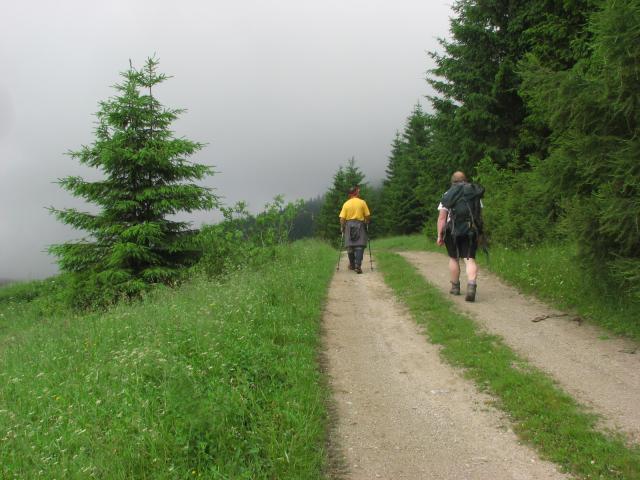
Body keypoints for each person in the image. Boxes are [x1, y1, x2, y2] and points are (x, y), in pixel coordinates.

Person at [436, 171, 484, 302]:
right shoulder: (474, 193)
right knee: (469, 259)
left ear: (452, 182)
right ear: (465, 180)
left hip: (452, 231)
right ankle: (471, 285)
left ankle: (455, 287)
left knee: (453, 258)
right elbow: (479, 216)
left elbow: (442, 218)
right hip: (470, 230)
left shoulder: (448, 194)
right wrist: (480, 233)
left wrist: (440, 235)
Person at [339, 185, 371, 274]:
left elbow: (342, 219)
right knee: (359, 246)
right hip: (360, 224)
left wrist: (342, 227)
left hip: (349, 225)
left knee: (350, 246)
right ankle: (358, 266)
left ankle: (352, 265)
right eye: (358, 191)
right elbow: (367, 215)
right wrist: (367, 222)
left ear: (350, 194)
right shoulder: (362, 202)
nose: (359, 192)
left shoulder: (346, 204)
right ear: (356, 193)